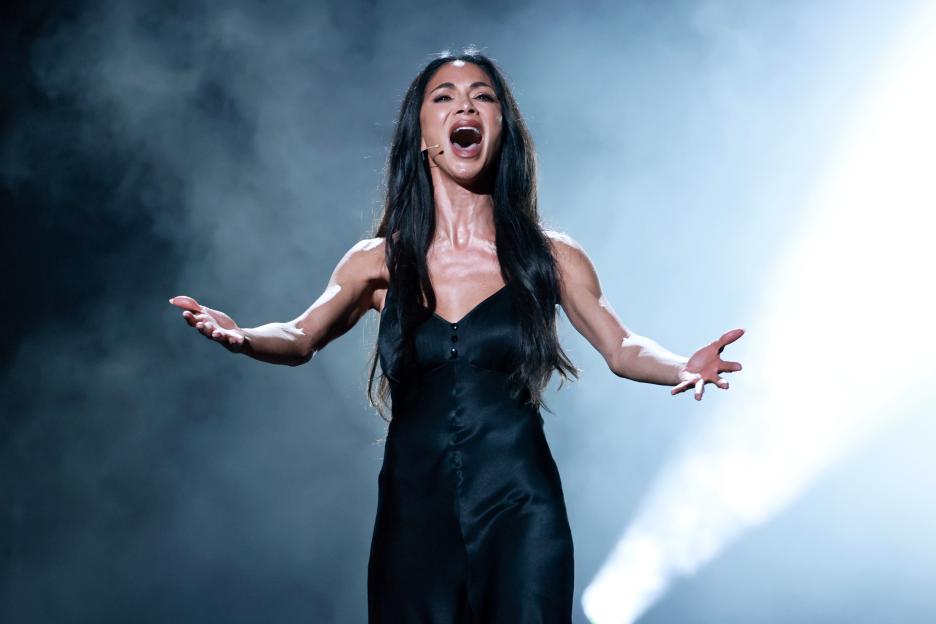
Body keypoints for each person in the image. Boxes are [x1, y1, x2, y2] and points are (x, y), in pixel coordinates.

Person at [169, 49, 744, 623]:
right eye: (444, 96)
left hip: (521, 510)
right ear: (422, 134)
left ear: (501, 128)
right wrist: (244, 336)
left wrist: (681, 365)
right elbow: (299, 335)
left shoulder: (550, 256)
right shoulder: (378, 262)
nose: (465, 105)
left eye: (483, 97)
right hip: (414, 517)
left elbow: (621, 346)